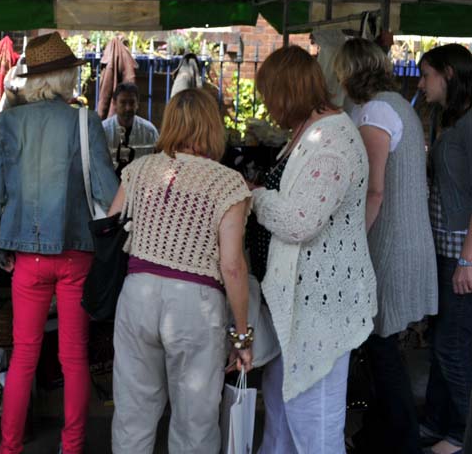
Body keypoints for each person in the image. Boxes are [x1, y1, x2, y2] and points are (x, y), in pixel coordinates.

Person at [0, 32, 117, 454]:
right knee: (74, 358)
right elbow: (109, 194)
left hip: (26, 257)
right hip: (76, 253)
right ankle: (71, 447)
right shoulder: (83, 121)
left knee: (23, 356)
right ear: (64, 77)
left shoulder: (6, 124)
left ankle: (9, 448)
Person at [108, 88, 252, 453]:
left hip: (137, 295)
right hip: (196, 307)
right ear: (213, 126)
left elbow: (110, 229)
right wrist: (242, 334)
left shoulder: (138, 171)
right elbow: (232, 266)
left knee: (133, 413)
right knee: (195, 422)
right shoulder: (227, 183)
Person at [251, 46, 376, 454]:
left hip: (320, 310)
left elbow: (301, 220)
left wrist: (256, 198)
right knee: (285, 412)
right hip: (297, 307)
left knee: (316, 426)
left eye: (269, 95)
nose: (267, 106)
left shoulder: (332, 140)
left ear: (288, 91)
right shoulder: (309, 129)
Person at [333, 38, 437, 454]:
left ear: (351, 72)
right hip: (407, 240)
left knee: (380, 346)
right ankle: (381, 435)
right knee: (381, 345)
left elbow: (373, 191)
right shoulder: (397, 104)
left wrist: (348, 242)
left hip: (391, 244)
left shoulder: (375, 111)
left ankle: (403, 441)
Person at [415, 44, 472, 454]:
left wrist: (468, 258)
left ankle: (463, 432)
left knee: (452, 345)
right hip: (444, 248)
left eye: (426, 74)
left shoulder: (469, 124)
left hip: (460, 253)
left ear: (448, 74)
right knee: (441, 341)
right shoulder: (445, 118)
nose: (420, 83)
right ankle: (439, 422)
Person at [102, 82, 159, 177]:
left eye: (132, 103)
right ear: (114, 103)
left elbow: (157, 164)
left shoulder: (150, 132)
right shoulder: (103, 131)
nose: (128, 108)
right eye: (123, 103)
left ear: (137, 104)